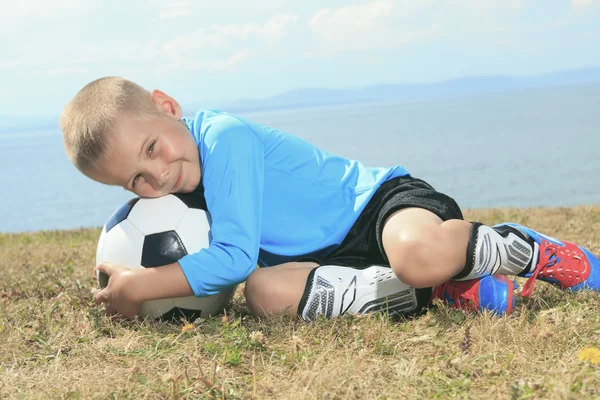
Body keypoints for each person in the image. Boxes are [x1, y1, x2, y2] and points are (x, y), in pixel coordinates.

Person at [60, 77, 600, 320]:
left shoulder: (224, 136)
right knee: (266, 296)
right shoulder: (177, 197)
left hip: (376, 209)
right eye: (135, 181)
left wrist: (143, 286)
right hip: (329, 263)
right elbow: (246, 271)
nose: (157, 176)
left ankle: (527, 250)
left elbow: (234, 256)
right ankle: (443, 294)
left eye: (152, 148)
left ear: (168, 105)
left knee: (419, 255)